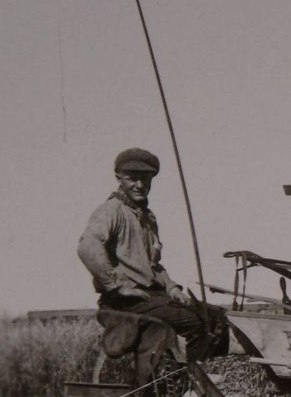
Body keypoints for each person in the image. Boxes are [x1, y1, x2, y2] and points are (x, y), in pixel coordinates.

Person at [77, 148, 229, 367]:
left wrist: (171, 288)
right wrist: (117, 286)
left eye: (145, 179)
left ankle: (198, 379)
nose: (140, 185)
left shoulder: (147, 218)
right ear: (118, 178)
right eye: (132, 179)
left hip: (150, 297)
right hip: (126, 302)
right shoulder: (112, 210)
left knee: (216, 317)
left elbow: (153, 265)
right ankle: (191, 386)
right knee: (195, 324)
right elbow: (87, 247)